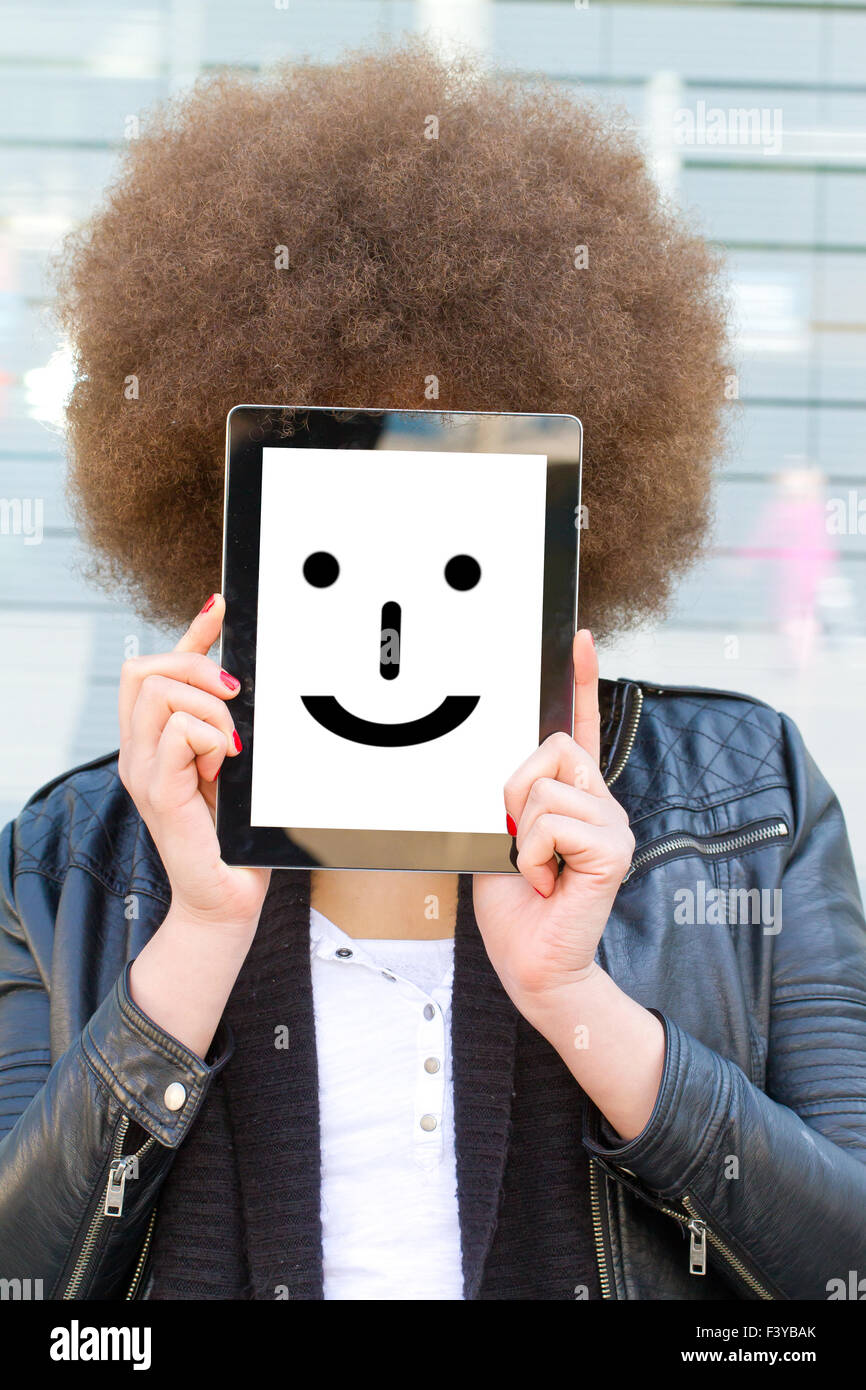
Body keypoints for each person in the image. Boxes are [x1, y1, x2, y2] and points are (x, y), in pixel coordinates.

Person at [0, 40, 864, 1302]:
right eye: (332, 537)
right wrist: (196, 934)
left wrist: (575, 998)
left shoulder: (747, 799)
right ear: (229, 526)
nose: (391, 620)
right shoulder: (71, 858)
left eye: (457, 543)